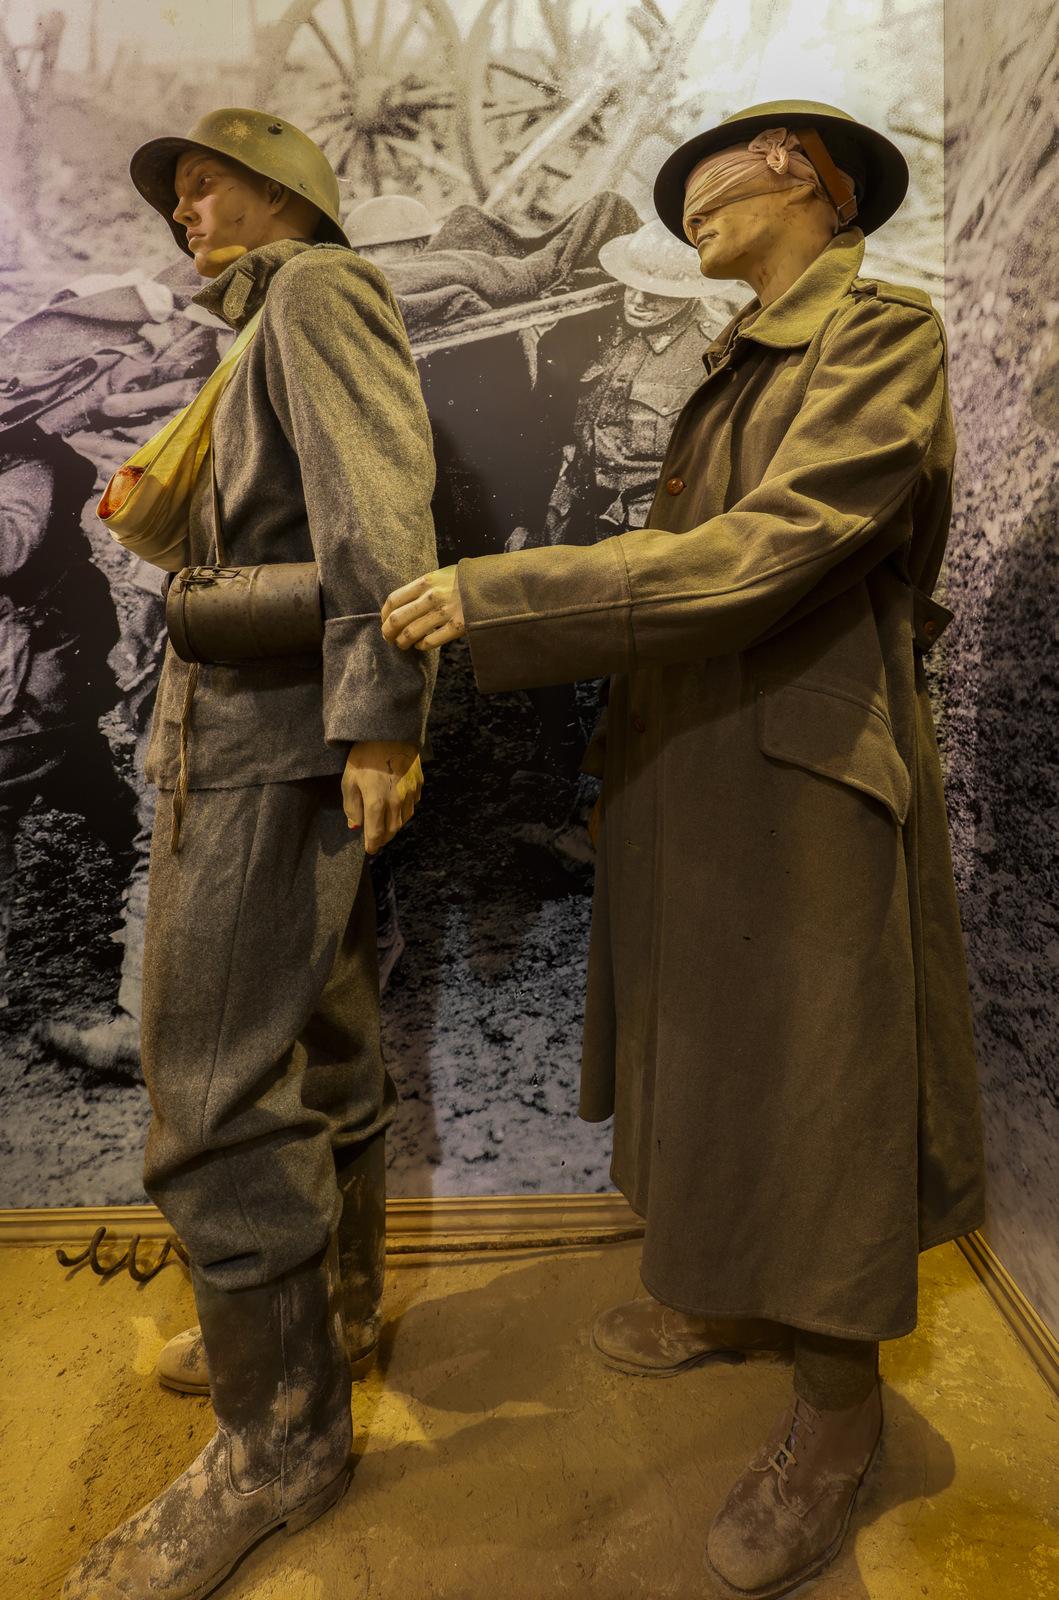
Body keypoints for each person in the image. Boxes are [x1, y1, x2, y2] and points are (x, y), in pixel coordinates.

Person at [381, 99, 985, 1598]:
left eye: (703, 184)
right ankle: (721, 1292)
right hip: (698, 754)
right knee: (703, 1051)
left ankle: (836, 1418)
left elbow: (778, 545)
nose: (684, 210)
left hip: (800, 765)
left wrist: (513, 596)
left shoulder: (878, 334)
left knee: (815, 1085)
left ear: (793, 167)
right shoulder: (742, 352)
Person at [63, 107, 437, 1598]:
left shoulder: (317, 293)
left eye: (203, 181)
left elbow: (379, 515)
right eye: (175, 194)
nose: (183, 207)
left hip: (276, 747)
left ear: (285, 190)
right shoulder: (272, 317)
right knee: (322, 1033)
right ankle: (334, 1324)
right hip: (282, 740)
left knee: (210, 1087)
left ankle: (278, 1439)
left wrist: (383, 721)